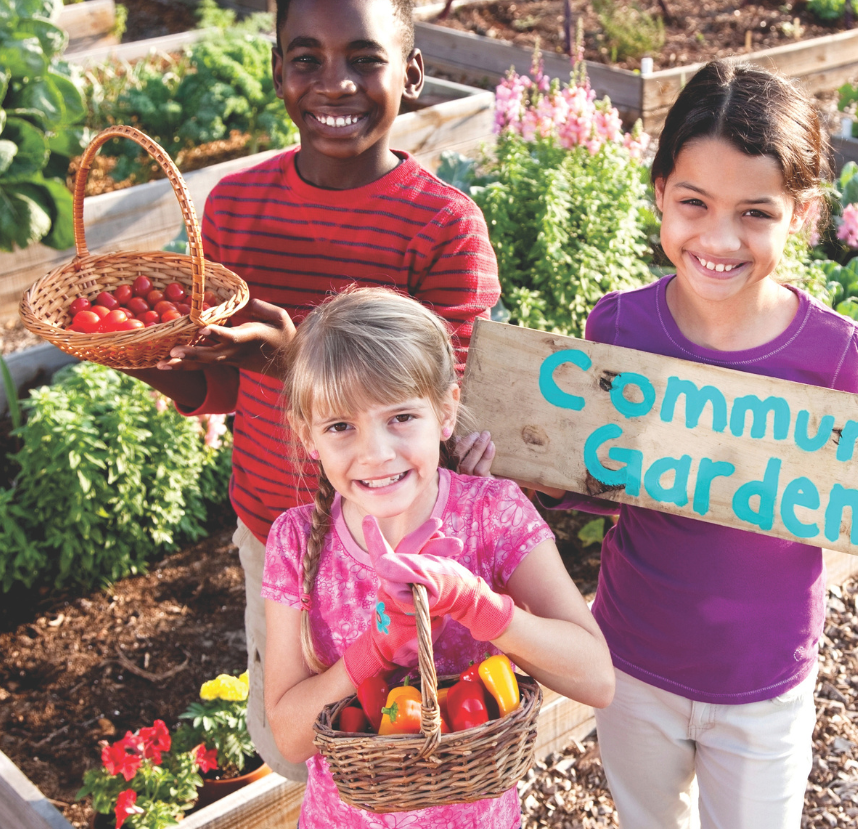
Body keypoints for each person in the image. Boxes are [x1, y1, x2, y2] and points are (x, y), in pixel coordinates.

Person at [531, 61, 858, 828]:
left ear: (802, 215)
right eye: (694, 204)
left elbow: (849, 496)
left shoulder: (834, 357)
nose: (719, 237)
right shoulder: (619, 328)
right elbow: (593, 477)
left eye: (755, 212)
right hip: (633, 656)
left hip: (765, 680)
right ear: (659, 197)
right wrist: (528, 465)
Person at [121, 0, 500, 781]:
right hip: (274, 529)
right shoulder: (236, 208)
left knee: (407, 745)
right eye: (308, 60)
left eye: (366, 60)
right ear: (278, 72)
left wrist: (296, 357)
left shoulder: (441, 226)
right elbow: (218, 384)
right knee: (296, 742)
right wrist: (147, 359)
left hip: (401, 546)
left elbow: (436, 405)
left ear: (414, 73)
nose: (336, 84)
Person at [259, 287, 614, 825]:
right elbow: (288, 735)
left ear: (446, 411)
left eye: (401, 417)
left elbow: (595, 679)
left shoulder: (491, 515)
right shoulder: (294, 540)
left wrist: (479, 605)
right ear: (308, 436)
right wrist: (374, 650)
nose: (375, 452)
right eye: (340, 426)